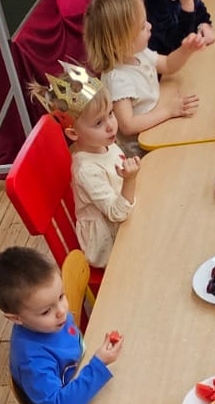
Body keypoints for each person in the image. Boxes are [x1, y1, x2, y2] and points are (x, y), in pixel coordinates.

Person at [0, 246, 122, 404]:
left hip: (85, 383)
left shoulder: (52, 320)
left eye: (61, 296)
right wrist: (98, 364)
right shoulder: (32, 361)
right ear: (16, 318)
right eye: (45, 311)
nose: (62, 311)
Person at [30, 61, 139, 269]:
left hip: (125, 220)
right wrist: (130, 180)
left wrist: (129, 180)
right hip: (109, 247)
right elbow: (116, 214)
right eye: (98, 122)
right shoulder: (86, 170)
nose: (110, 125)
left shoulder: (104, 143)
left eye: (110, 113)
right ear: (73, 133)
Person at [83, 0, 200, 155]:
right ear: (121, 42)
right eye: (142, 26)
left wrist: (186, 50)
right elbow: (128, 126)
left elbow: (168, 65)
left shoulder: (138, 53)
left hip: (159, 124)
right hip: (144, 148)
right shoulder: (118, 78)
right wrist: (168, 111)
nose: (150, 26)